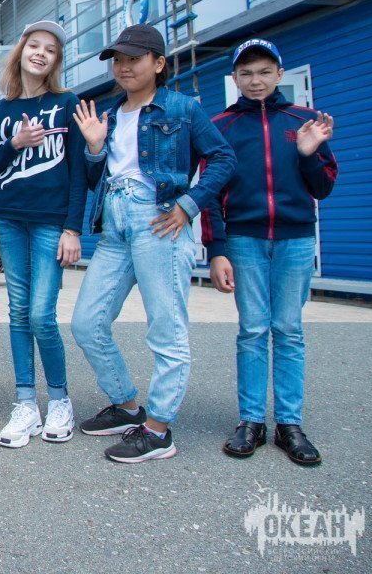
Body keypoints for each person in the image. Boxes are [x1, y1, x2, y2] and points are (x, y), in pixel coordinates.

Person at [70, 24, 235, 463]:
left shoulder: (182, 108)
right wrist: (94, 148)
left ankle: (159, 429)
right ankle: (127, 406)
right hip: (115, 227)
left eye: (134, 59)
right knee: (86, 323)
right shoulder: (110, 114)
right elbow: (95, 178)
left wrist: (189, 205)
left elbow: (223, 158)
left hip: (160, 223)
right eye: (118, 60)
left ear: (159, 63)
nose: (123, 67)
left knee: (166, 329)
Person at [206, 39, 336, 466]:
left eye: (264, 72)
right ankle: (251, 421)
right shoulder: (221, 126)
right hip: (244, 240)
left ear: (280, 73)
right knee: (253, 329)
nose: (255, 81)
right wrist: (217, 249)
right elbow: (210, 193)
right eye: (246, 73)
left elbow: (323, 186)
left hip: (296, 239)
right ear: (234, 78)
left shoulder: (304, 122)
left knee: (289, 329)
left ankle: (289, 424)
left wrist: (308, 154)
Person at [0, 21, 88, 448]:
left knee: (42, 314)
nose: (41, 53)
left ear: (56, 61)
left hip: (50, 222)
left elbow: (79, 172)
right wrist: (15, 144)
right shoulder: (2, 110)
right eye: (34, 45)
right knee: (18, 312)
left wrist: (72, 228)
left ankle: (60, 399)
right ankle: (26, 403)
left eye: (51, 49)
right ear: (21, 52)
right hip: (10, 220)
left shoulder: (67, 103)